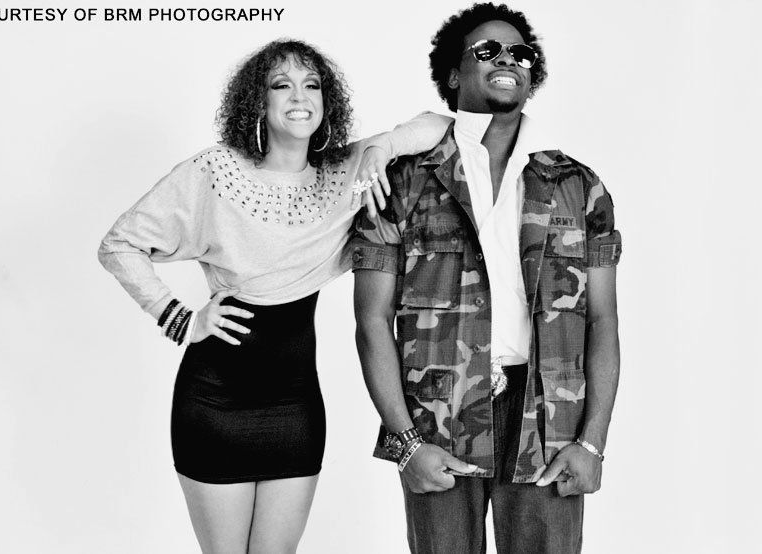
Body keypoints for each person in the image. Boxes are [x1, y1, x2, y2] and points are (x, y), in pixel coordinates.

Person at [98, 40, 448, 553]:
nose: (299, 97)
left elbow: (438, 124)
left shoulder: (345, 173)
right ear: (258, 102)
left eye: (312, 85)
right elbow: (119, 244)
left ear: (327, 101)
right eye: (281, 86)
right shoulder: (216, 172)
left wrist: (382, 147)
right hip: (214, 403)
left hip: (294, 406)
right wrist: (179, 319)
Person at [351, 3, 622, 553]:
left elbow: (602, 320)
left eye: (520, 53)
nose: (507, 60)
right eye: (488, 50)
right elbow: (371, 320)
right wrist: (406, 444)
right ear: (454, 75)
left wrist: (592, 443)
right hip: (439, 419)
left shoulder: (579, 185)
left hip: (548, 421)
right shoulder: (405, 181)